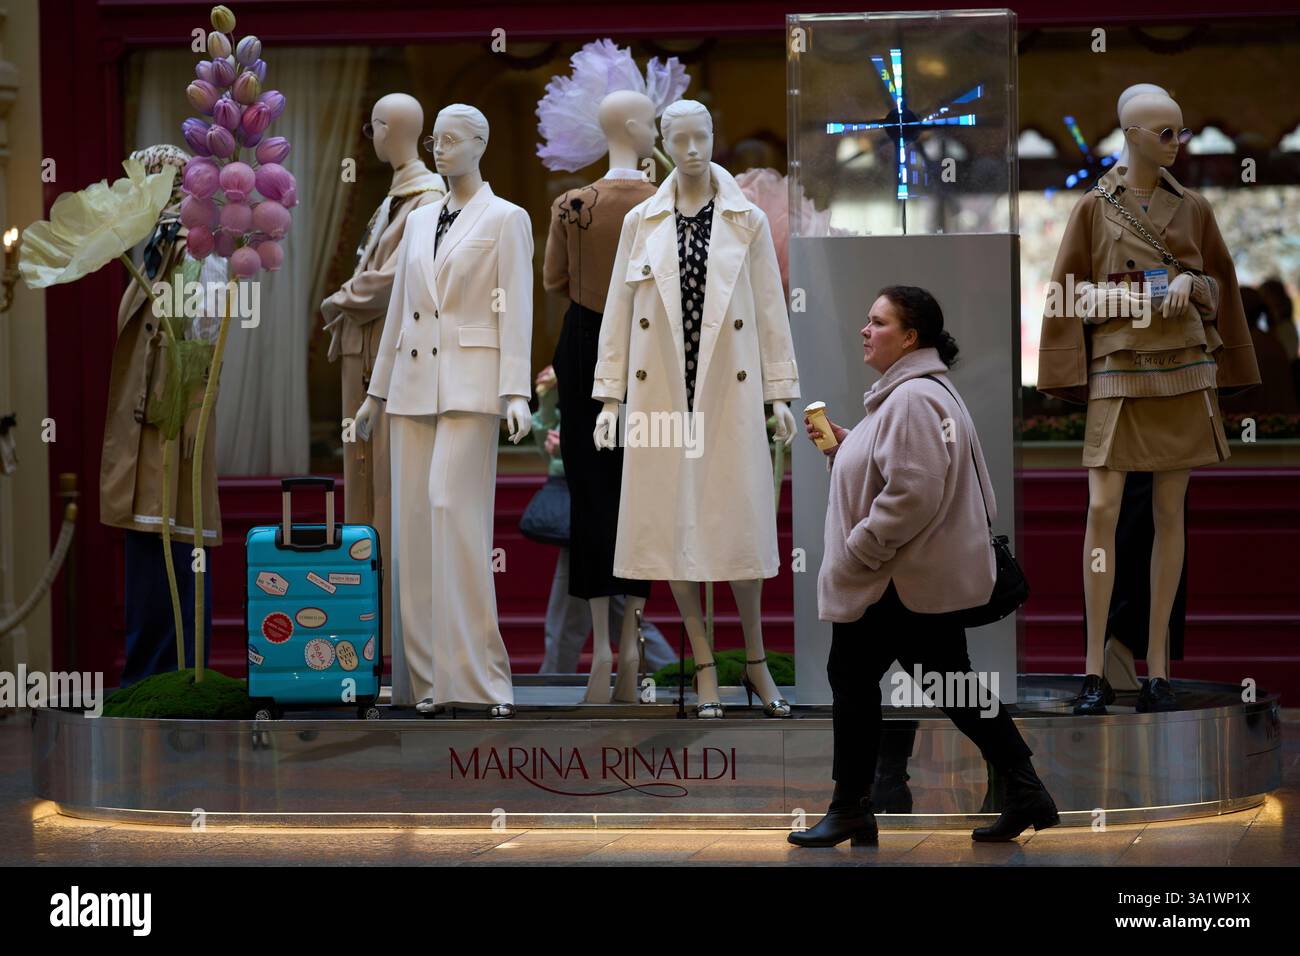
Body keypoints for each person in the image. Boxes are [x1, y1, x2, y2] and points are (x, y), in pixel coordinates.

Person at [790, 285, 1057, 847]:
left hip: (894, 580)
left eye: (877, 322)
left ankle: (851, 809)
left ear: (910, 337)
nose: (865, 330)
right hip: (917, 581)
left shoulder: (911, 398)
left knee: (856, 682)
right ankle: (1026, 788)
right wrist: (849, 447)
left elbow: (912, 492)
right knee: (952, 686)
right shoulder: (918, 394)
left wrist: (859, 550)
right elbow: (905, 471)